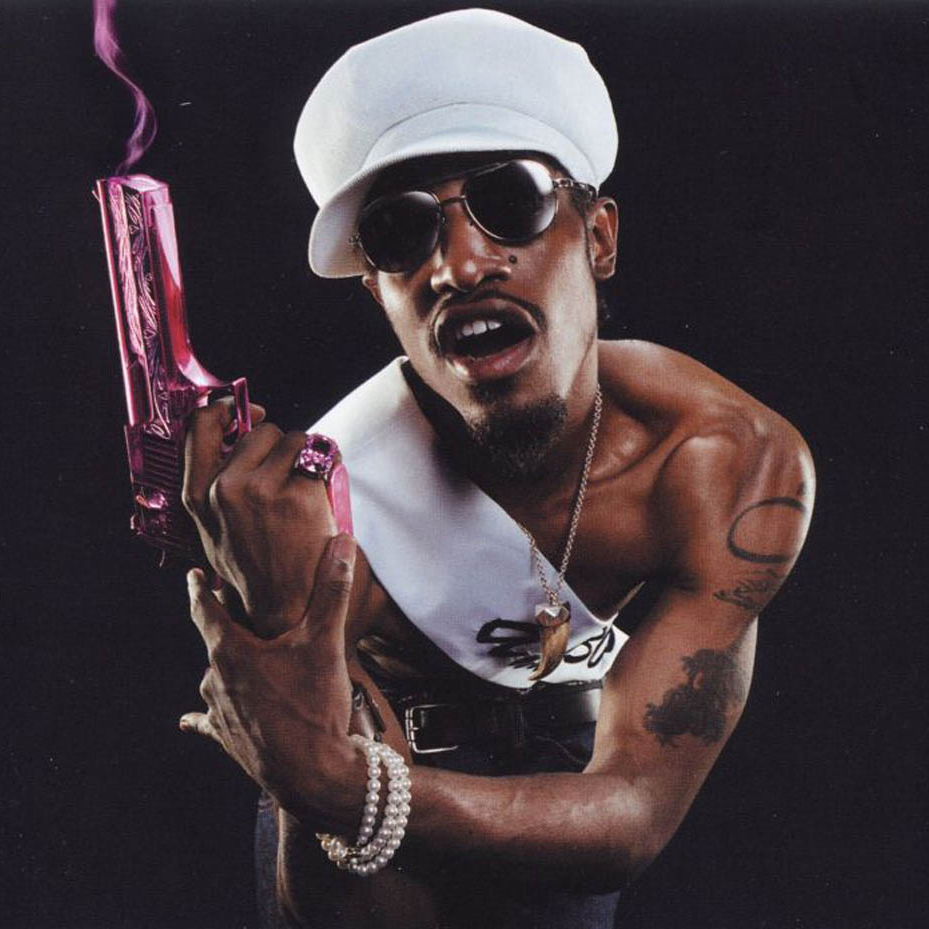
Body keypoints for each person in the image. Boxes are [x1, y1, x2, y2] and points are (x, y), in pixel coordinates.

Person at [178, 9, 814, 929]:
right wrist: (291, 655)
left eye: (510, 201)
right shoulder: (329, 516)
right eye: (400, 231)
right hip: (377, 781)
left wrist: (338, 785)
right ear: (378, 290)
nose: (460, 264)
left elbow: (633, 812)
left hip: (552, 778)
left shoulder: (724, 462)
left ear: (598, 237)